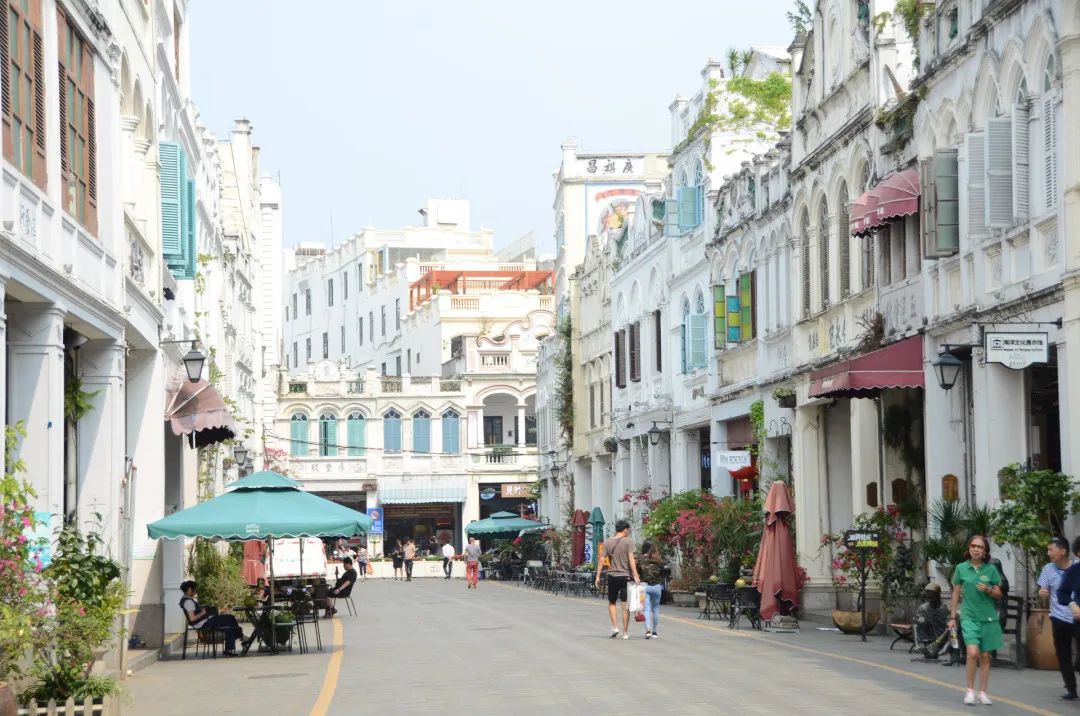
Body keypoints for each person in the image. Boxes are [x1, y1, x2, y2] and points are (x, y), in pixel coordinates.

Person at [948, 535, 1003, 706]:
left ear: (985, 551)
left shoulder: (991, 569)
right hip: (969, 617)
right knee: (972, 653)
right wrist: (952, 617)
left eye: (980, 547)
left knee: (985, 656)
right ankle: (970, 691)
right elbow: (956, 592)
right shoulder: (961, 568)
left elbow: (999, 594)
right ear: (969, 548)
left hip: (988, 618)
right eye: (973, 546)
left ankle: (983, 692)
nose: (976, 549)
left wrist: (988, 590)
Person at [1041, 536, 1080, 700]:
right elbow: (1048, 590)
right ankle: (1071, 689)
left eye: (1051, 549)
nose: (1048, 553)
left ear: (1063, 551)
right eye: (1048, 550)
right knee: (1063, 655)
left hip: (1077, 620)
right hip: (1059, 617)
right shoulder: (1049, 569)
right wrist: (1043, 592)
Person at [593, 519, 640, 640]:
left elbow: (601, 560)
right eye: (628, 529)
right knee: (625, 604)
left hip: (612, 576)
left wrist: (597, 576)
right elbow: (631, 559)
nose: (629, 531)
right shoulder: (629, 541)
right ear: (625, 529)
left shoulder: (608, 542)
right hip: (626, 576)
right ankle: (625, 632)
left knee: (612, 602)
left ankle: (615, 627)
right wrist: (636, 575)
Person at [179, 580, 245, 657]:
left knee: (229, 626)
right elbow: (192, 619)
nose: (196, 592)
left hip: (206, 621)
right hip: (204, 624)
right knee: (230, 618)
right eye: (195, 590)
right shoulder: (188, 602)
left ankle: (230, 649)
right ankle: (241, 637)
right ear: (190, 589)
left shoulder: (187, 600)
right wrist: (202, 612)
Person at [912, 582, 950, 658]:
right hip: (928, 637)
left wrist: (938, 641)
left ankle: (942, 648)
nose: (929, 600)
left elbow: (950, 627)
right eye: (927, 597)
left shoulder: (945, 608)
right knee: (915, 625)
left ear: (938, 595)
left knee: (952, 628)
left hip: (942, 638)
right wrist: (918, 619)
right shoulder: (923, 607)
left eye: (931, 597)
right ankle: (917, 645)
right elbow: (915, 619)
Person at [637, 540, 664, 639]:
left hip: (645, 586)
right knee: (655, 609)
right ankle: (655, 632)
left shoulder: (640, 559)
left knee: (646, 609)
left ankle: (647, 630)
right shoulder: (658, 559)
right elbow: (663, 572)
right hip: (657, 587)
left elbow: (637, 571)